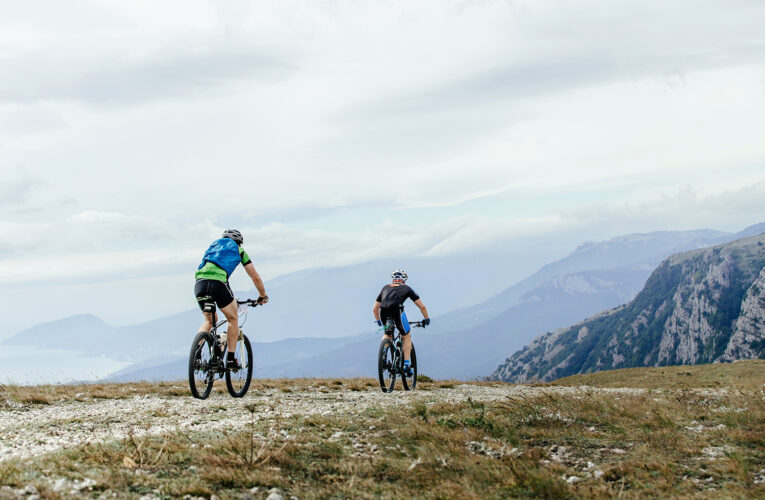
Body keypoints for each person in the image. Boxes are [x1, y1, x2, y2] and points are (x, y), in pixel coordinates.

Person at [194, 229, 268, 369]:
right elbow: (255, 277)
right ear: (239, 243)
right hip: (218, 284)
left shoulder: (213, 247)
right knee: (232, 319)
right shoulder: (239, 251)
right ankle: (230, 359)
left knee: (209, 320)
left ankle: (196, 356)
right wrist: (262, 295)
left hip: (200, 284)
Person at [373, 269, 430, 376]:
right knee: (406, 335)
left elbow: (375, 308)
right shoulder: (407, 288)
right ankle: (406, 365)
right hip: (397, 311)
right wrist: (426, 318)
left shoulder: (385, 287)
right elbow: (422, 306)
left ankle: (383, 357)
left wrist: (378, 321)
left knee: (387, 334)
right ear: (404, 280)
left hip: (384, 312)